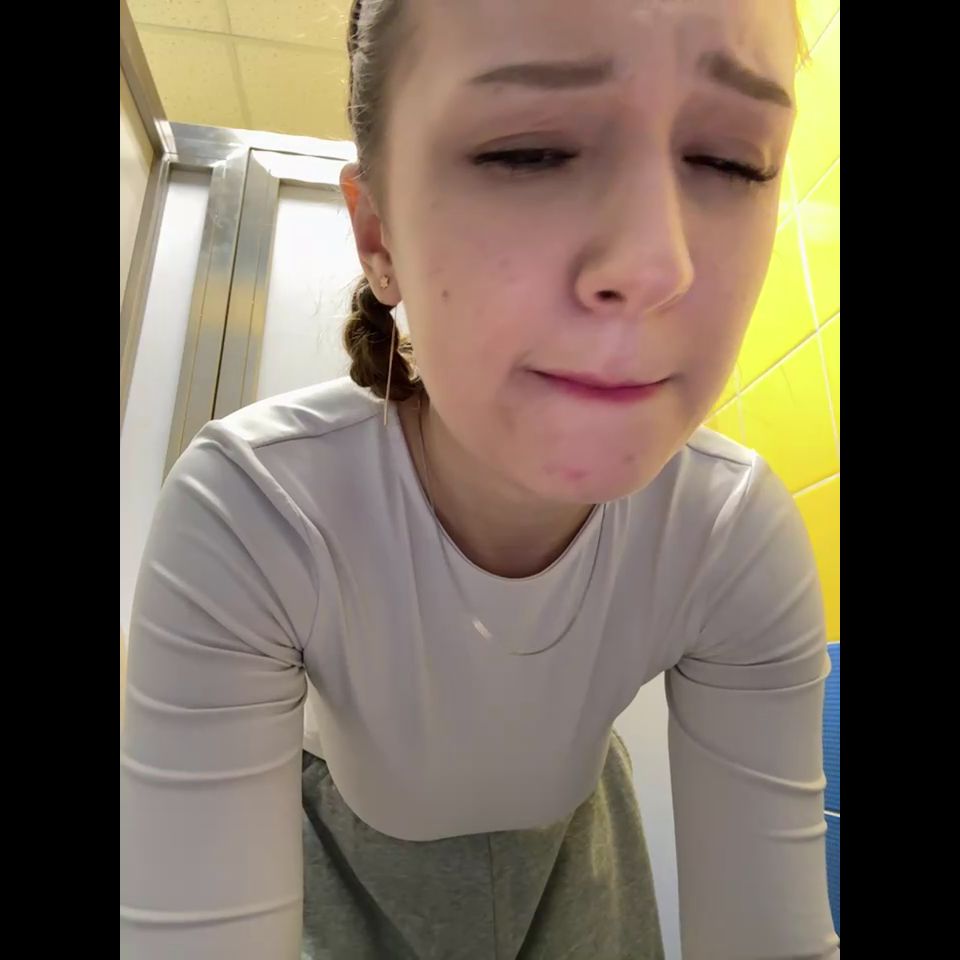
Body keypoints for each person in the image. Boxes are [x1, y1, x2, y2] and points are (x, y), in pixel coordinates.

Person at [120, 0, 840, 957]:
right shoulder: (255, 509)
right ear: (379, 238)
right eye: (529, 152)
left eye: (729, 160)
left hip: (579, 850)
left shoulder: (732, 531)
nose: (654, 264)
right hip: (340, 857)